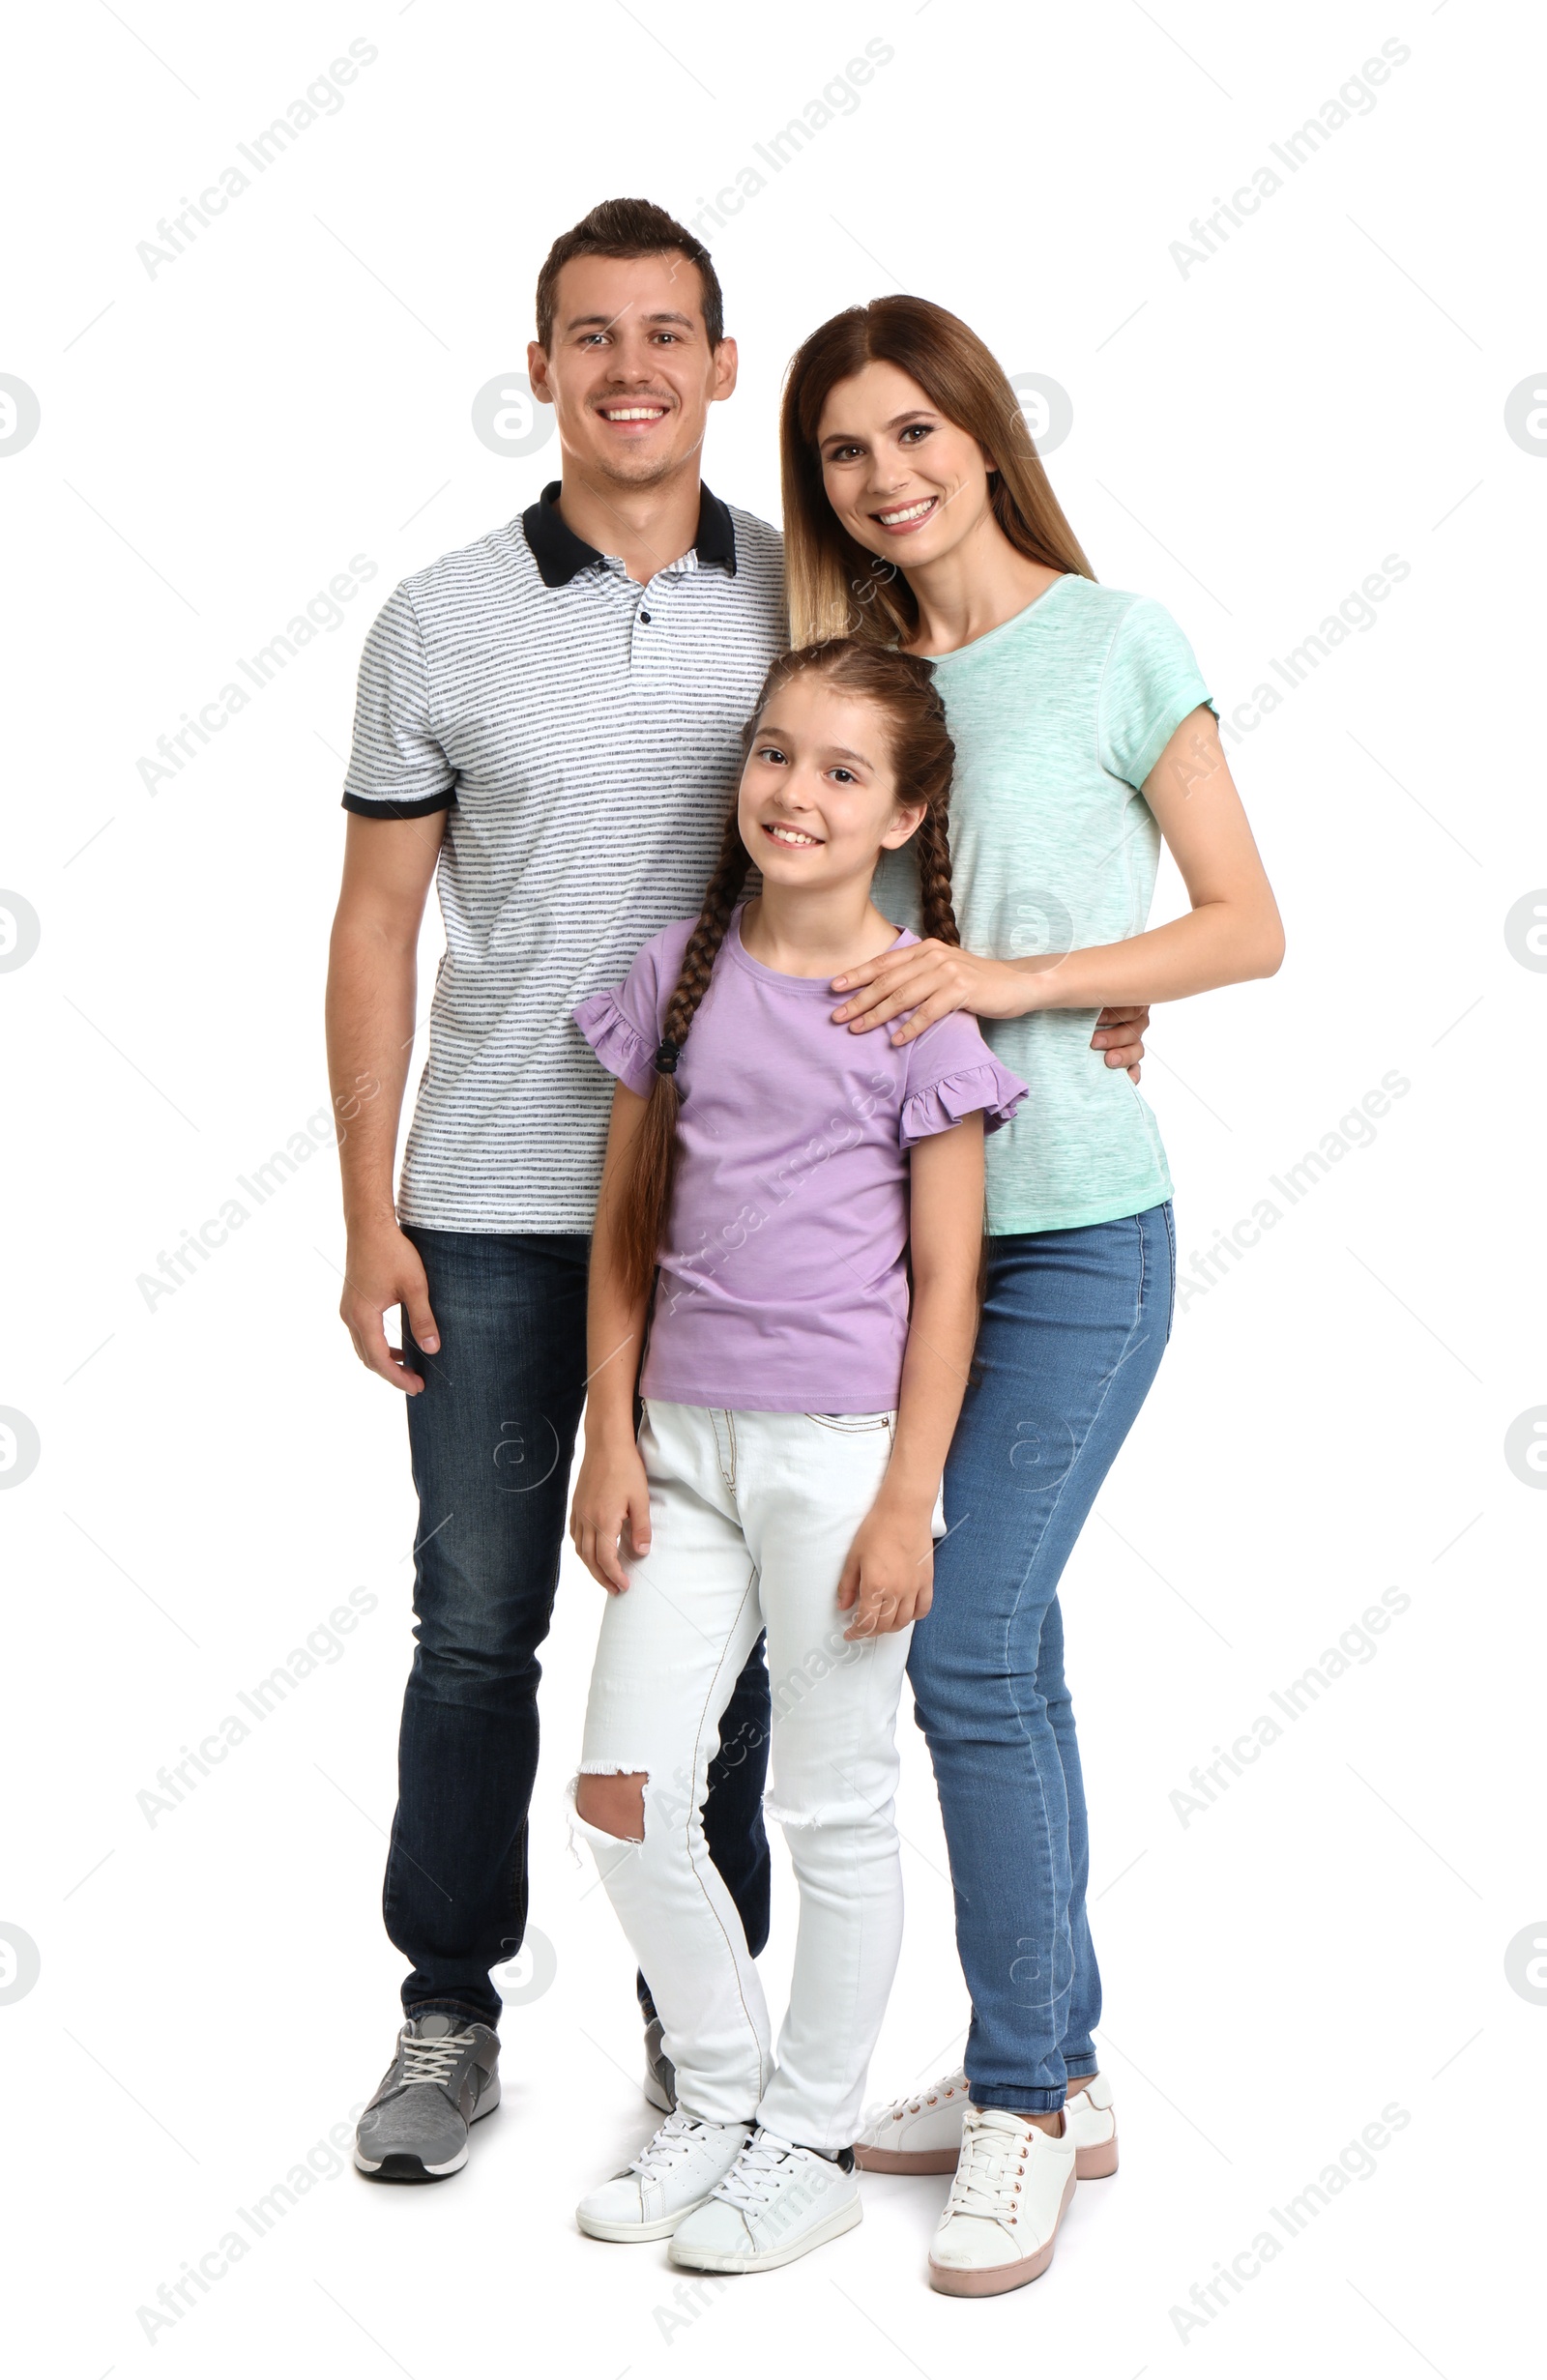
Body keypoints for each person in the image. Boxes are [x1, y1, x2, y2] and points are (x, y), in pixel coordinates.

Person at [777, 298, 1285, 2294]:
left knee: (962, 1642)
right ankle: (1055, 2068)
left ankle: (1012, 2103)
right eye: (841, 453)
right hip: (925, 1243)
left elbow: (1246, 926)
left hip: (1082, 1231)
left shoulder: (1111, 637)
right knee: (1014, 1651)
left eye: (914, 433)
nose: (886, 478)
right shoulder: (868, 683)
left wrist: (1026, 982)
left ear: (982, 433)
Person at [325, 197, 787, 2182]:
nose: (628, 368)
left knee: (742, 1630)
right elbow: (370, 928)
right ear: (538, 368)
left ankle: (711, 2033)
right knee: (475, 1624)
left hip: (756, 1202)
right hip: (499, 1198)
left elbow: (948, 819)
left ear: (721, 361)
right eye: (588, 335)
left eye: (664, 332)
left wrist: (1078, 998)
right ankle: (447, 2013)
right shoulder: (434, 617)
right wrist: (367, 1217)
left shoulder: (813, 592)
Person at [563, 642, 1026, 2275]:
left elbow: (952, 1283)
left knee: (832, 1810)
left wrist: (909, 1495)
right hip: (677, 1449)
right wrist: (608, 1433)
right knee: (623, 1793)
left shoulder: (918, 1009)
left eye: (843, 771)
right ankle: (720, 2090)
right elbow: (628, 1233)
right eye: (775, 754)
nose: (796, 791)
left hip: (842, 1461)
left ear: (906, 810)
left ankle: (809, 2136)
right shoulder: (679, 970)